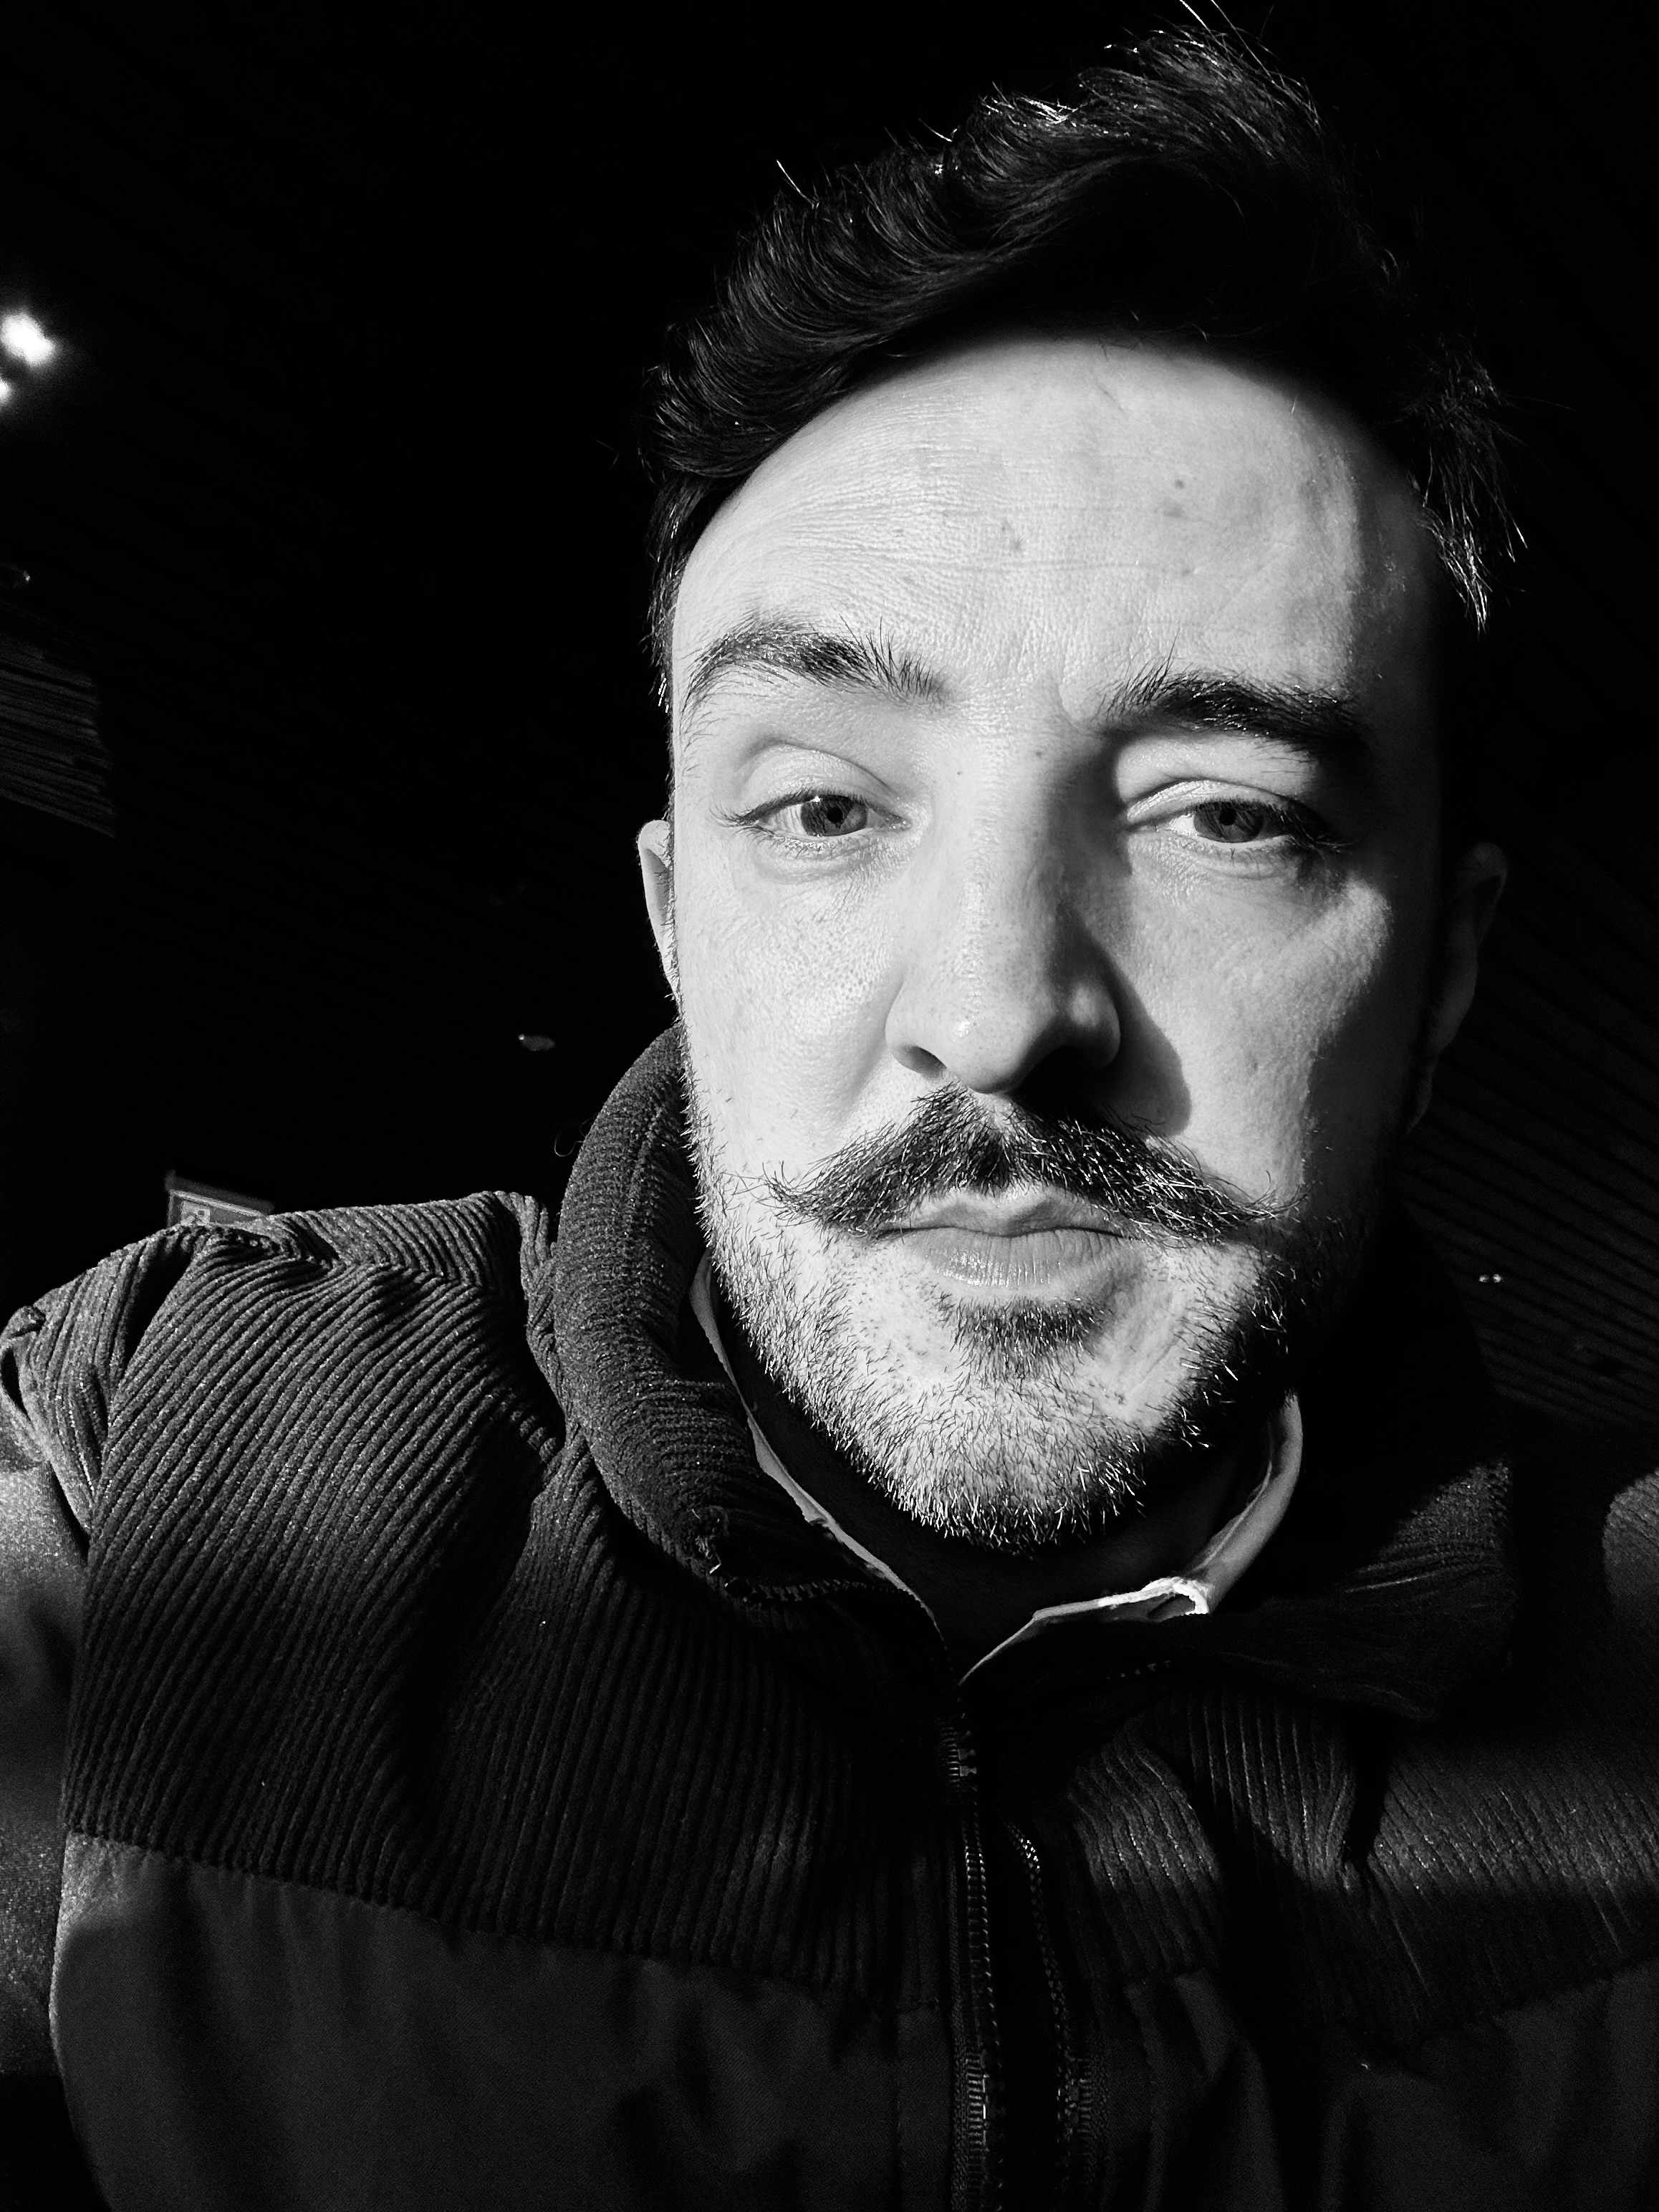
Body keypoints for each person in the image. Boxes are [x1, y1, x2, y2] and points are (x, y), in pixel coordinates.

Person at [2, 27, 1655, 2211]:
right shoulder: (167, 1451)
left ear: (1441, 968)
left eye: (1224, 814)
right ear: (678, 923)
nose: (994, 1014)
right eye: (822, 806)